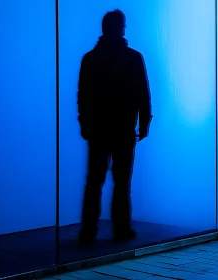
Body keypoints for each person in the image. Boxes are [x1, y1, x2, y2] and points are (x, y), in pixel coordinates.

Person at [77, 9, 152, 244]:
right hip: (123, 128)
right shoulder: (133, 57)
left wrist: (85, 124)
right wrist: (145, 121)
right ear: (121, 28)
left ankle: (88, 230)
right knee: (121, 182)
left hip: (98, 129)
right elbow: (143, 94)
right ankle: (122, 229)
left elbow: (83, 96)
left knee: (94, 181)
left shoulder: (90, 58)